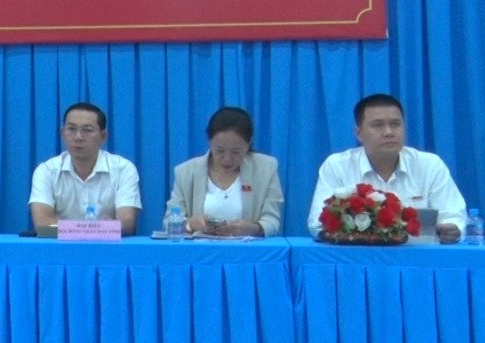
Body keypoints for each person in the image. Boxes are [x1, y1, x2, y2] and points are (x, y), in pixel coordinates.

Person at [308, 93, 467, 243]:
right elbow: (317, 223)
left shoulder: (430, 164)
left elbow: (453, 215)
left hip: (418, 257)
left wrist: (452, 229)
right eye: (377, 125)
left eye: (395, 124)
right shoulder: (337, 165)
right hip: (358, 257)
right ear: (358, 133)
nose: (389, 132)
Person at [164, 106, 283, 237]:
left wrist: (255, 228)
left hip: (247, 248)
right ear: (209, 141)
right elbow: (168, 221)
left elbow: (272, 220)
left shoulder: (266, 168)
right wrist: (190, 224)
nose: (227, 159)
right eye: (220, 151)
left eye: (236, 152)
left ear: (249, 143)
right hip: (200, 248)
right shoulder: (186, 172)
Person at [29, 102, 141, 235]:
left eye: (87, 130)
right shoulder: (46, 171)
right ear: (62, 134)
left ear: (103, 136)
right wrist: (101, 227)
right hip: (60, 246)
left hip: (107, 246)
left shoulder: (123, 169)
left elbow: (126, 223)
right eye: (71, 129)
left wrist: (67, 227)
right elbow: (42, 224)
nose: (78, 137)